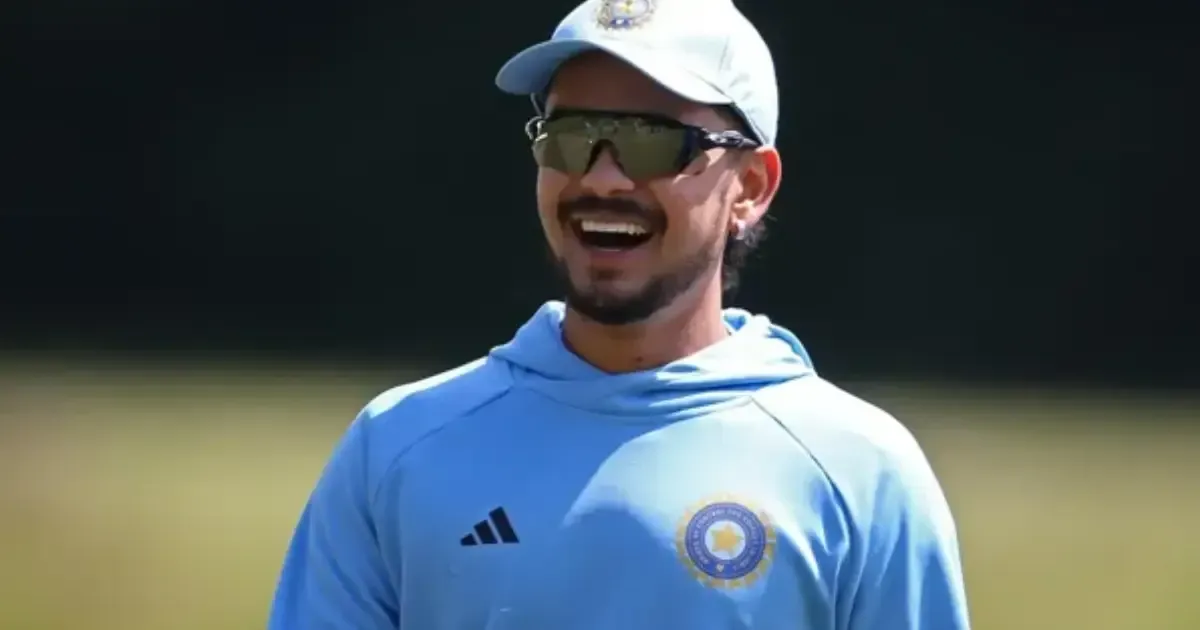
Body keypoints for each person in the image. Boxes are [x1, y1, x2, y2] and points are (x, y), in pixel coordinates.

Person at [266, 0, 971, 627]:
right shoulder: (397, 446)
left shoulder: (857, 469)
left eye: (653, 140)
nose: (602, 177)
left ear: (752, 187)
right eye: (571, 137)